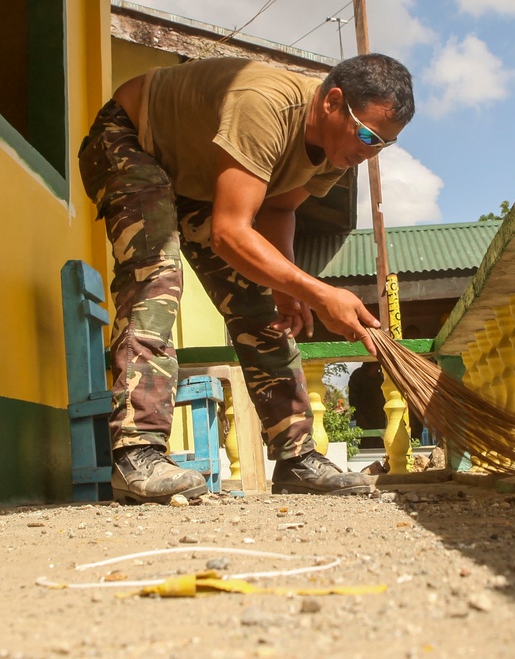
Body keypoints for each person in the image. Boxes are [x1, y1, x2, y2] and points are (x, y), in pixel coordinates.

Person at [78, 52, 413, 503]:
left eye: (384, 144)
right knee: (156, 276)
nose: (371, 151)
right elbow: (229, 233)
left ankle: (296, 459)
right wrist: (316, 292)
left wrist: (285, 285)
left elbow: (278, 207)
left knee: (259, 306)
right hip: (128, 141)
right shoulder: (266, 106)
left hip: (195, 181)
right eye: (369, 134)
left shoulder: (340, 150)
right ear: (333, 101)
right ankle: (137, 451)